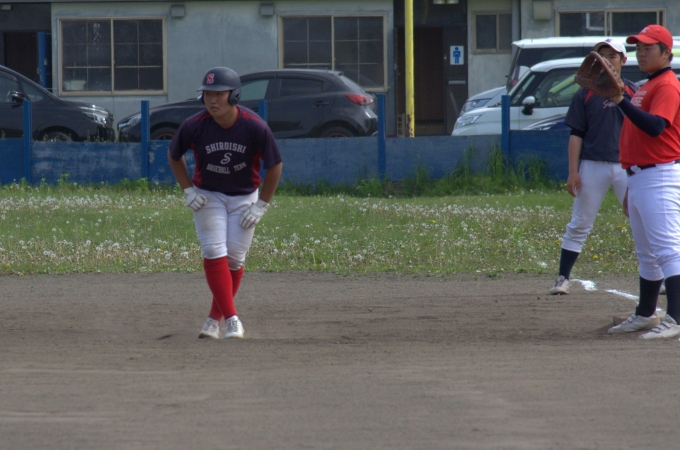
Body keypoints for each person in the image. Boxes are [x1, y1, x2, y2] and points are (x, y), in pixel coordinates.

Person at [168, 67, 283, 339]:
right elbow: (174, 155)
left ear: (235, 95)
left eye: (219, 93)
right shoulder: (195, 125)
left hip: (244, 196)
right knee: (213, 250)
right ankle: (232, 320)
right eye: (207, 94)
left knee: (234, 258)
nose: (212, 100)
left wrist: (262, 205)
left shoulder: (254, 126)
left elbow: (275, 165)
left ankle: (213, 319)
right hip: (208, 195)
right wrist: (187, 190)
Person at [606, 25, 680, 339]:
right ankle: (646, 313)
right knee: (647, 253)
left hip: (660, 175)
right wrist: (631, 183)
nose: (642, 53)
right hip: (640, 176)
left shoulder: (666, 85)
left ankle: (675, 319)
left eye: (649, 48)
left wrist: (620, 100)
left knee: (668, 250)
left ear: (666, 52)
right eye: (638, 48)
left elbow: (655, 127)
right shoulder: (647, 86)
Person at [549, 39, 638, 295]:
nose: (607, 60)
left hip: (627, 166)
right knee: (580, 222)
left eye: (613, 55)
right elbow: (576, 134)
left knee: (643, 221)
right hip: (592, 164)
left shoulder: (633, 92)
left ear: (624, 60)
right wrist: (573, 172)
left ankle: (660, 278)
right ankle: (562, 278)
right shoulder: (586, 93)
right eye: (602, 55)